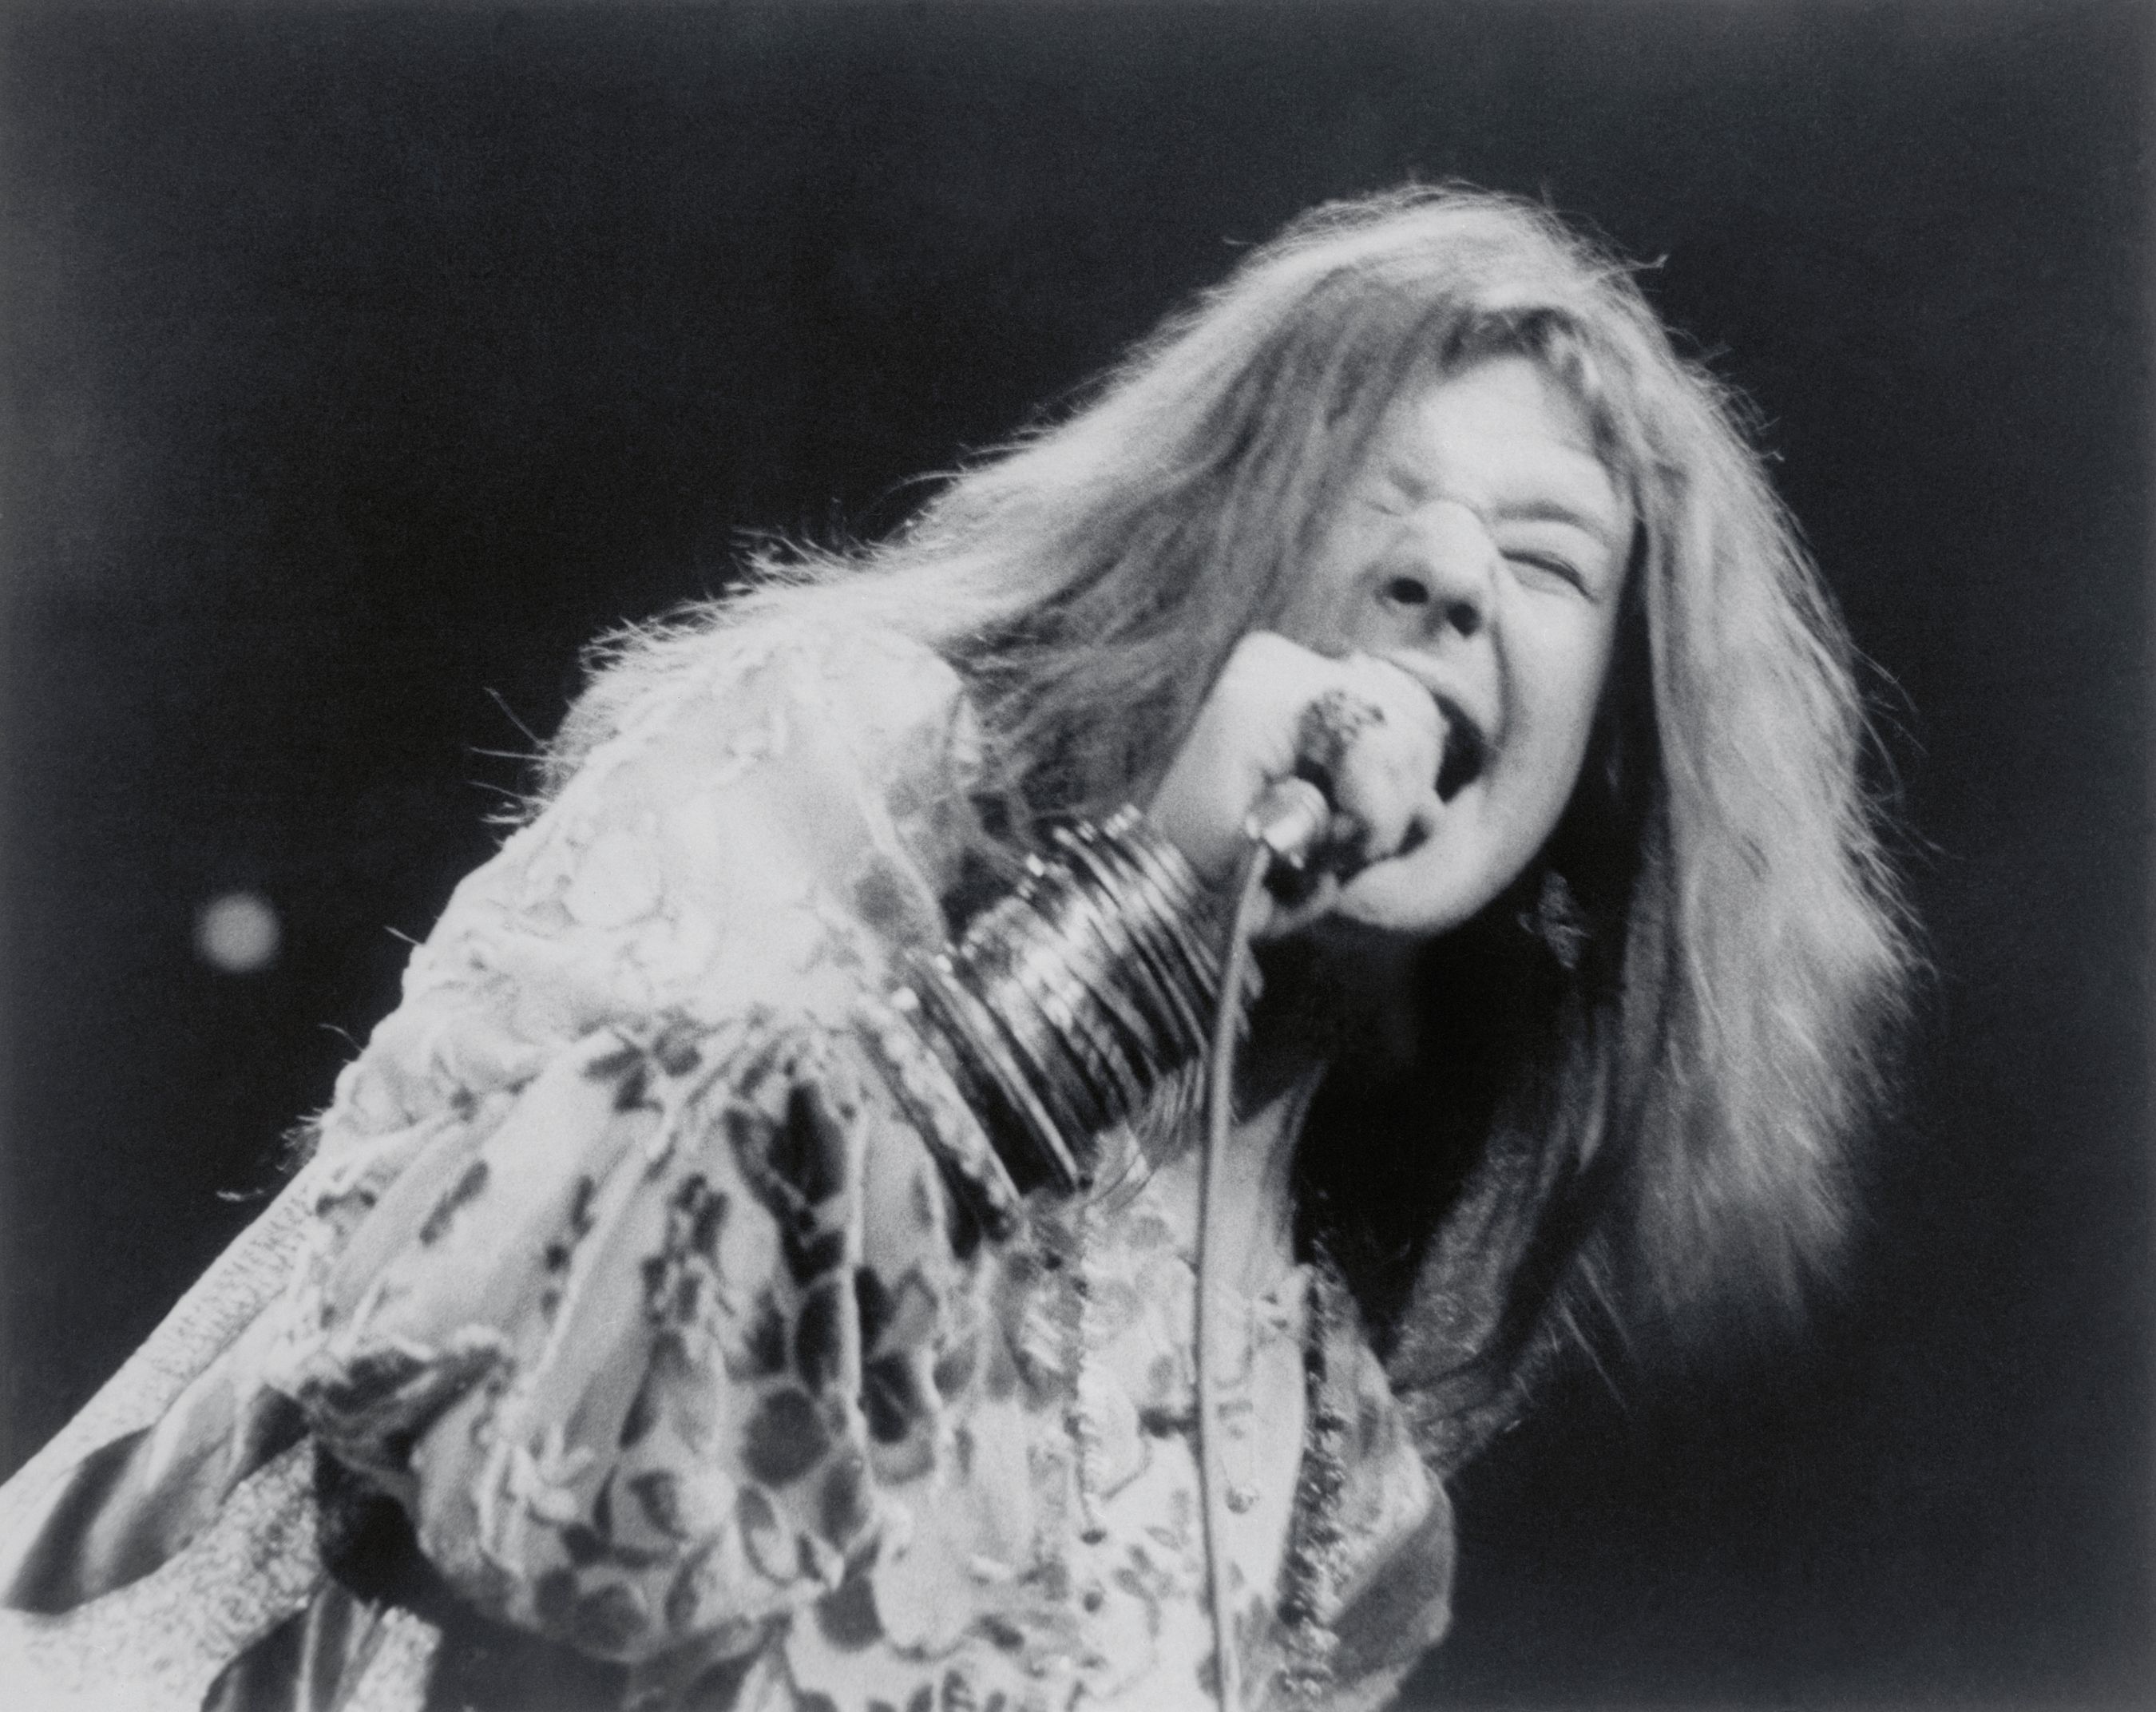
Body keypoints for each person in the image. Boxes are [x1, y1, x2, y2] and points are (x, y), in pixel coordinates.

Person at [0, 186, 1912, 1711]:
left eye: (1552, 557)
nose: (1450, 575)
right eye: (1372, 495)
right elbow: (510, 1437)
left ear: (1603, 773)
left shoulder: (1353, 1482)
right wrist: (1148, 917)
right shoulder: (839, 754)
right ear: (1216, 542)